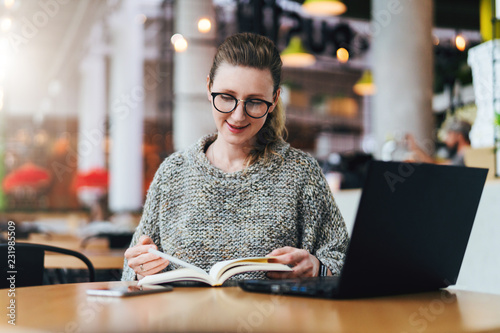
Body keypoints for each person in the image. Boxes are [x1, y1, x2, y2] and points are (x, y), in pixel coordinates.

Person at [122, 32, 349, 282]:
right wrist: (140, 267)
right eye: (227, 97)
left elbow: (345, 263)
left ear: (274, 100)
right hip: (184, 320)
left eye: (254, 102)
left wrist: (318, 268)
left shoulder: (301, 173)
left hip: (276, 321)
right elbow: (130, 272)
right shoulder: (172, 173)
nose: (238, 116)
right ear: (209, 88)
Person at [406, 119, 472, 166]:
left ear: (459, 136)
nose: (445, 139)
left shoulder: (465, 153)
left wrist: (416, 149)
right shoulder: (462, 154)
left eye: (449, 134)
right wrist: (416, 149)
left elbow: (437, 167)